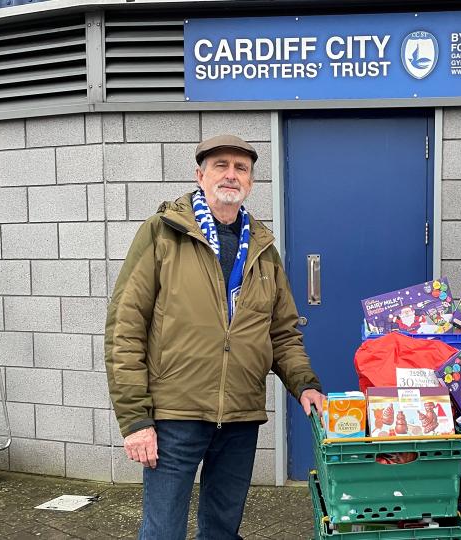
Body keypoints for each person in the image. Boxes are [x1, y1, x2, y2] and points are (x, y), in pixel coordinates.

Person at [105, 134, 325, 540]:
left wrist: (304, 384)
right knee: (162, 530)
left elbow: (281, 331)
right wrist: (135, 419)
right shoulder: (162, 234)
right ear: (200, 174)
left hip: (241, 416)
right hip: (175, 414)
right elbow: (125, 328)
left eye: (241, 168)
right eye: (221, 165)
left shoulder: (263, 249)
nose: (231, 174)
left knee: (223, 529)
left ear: (251, 182)